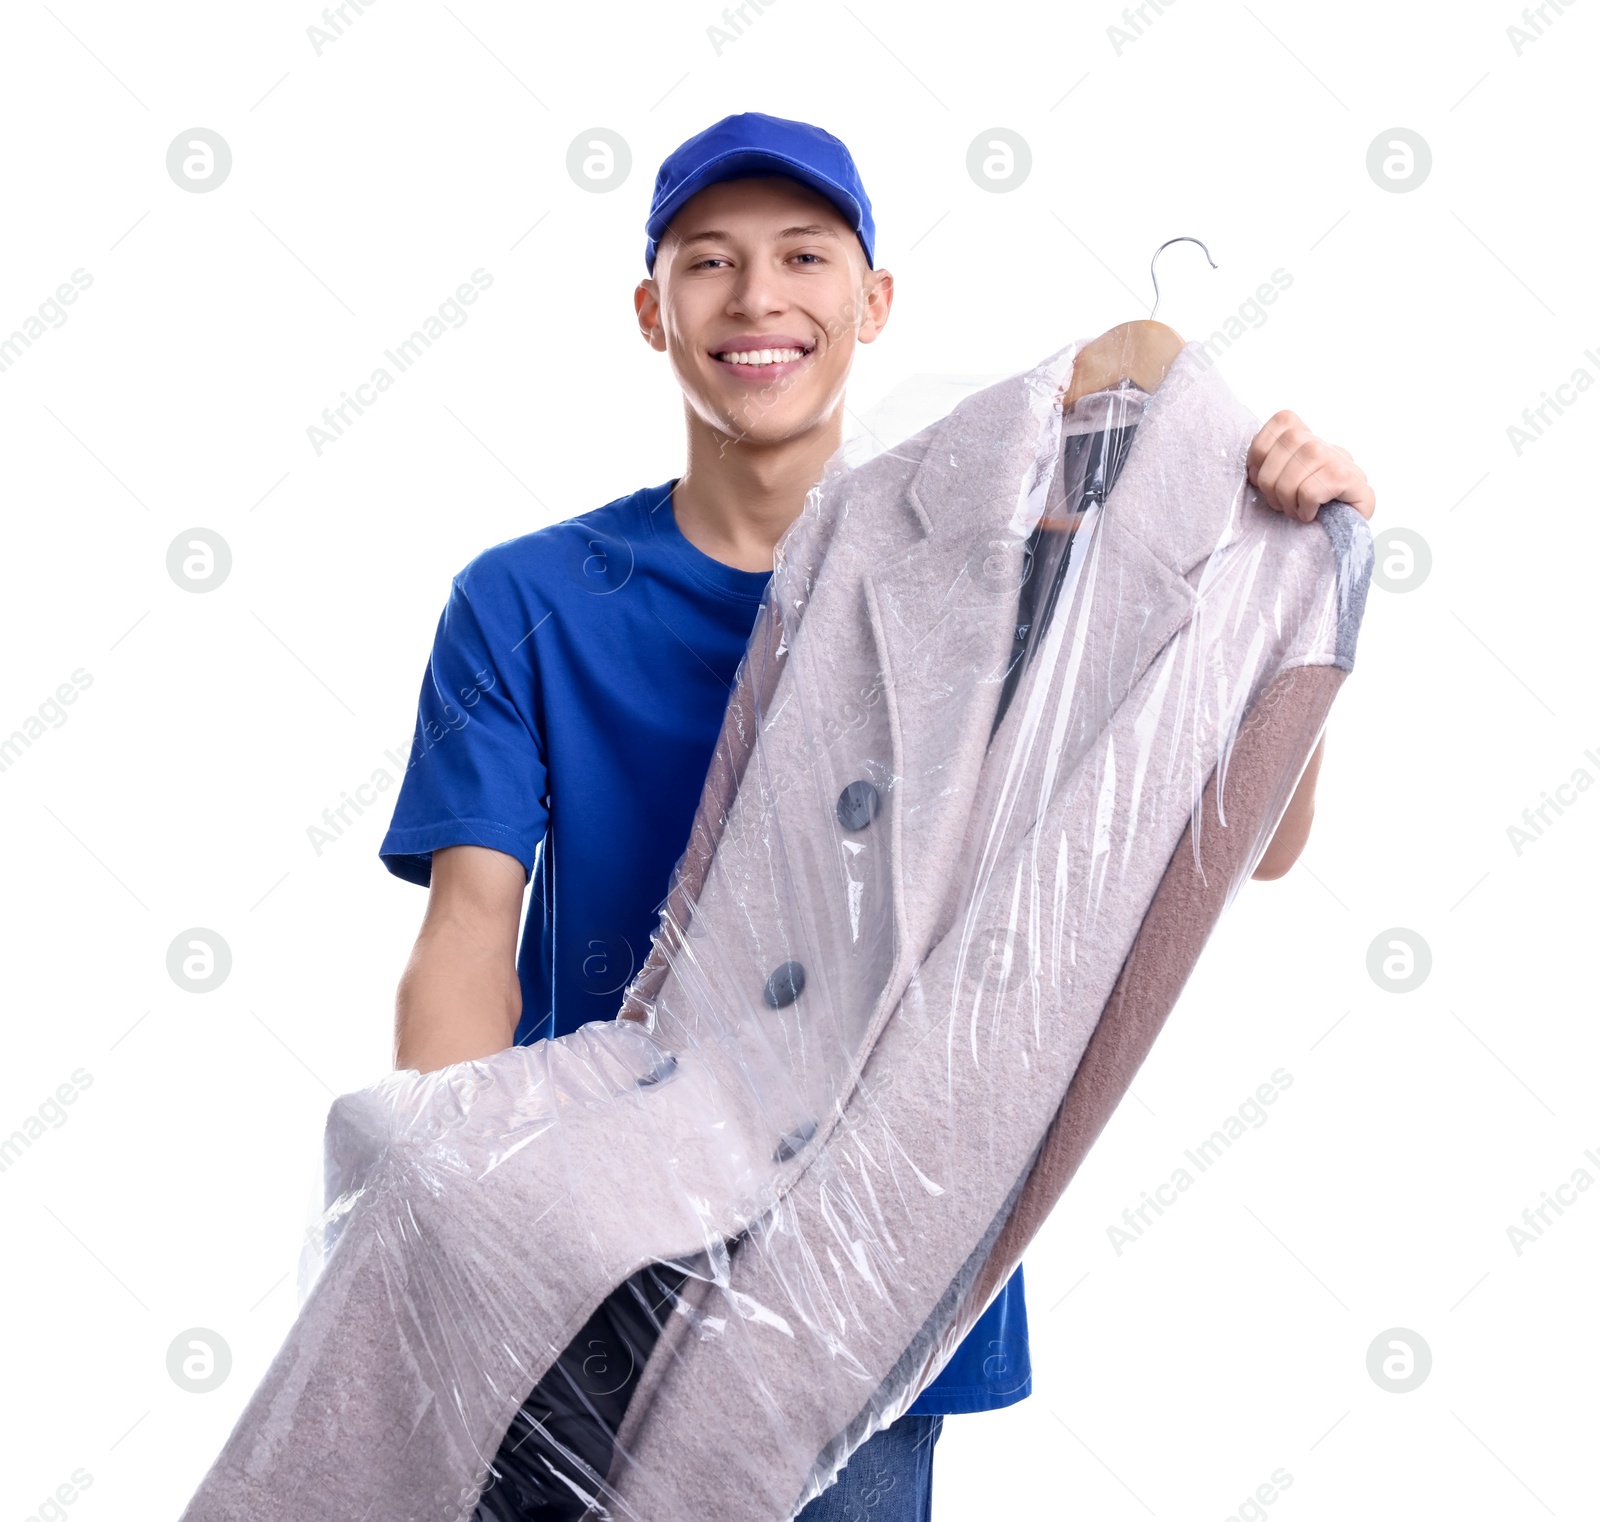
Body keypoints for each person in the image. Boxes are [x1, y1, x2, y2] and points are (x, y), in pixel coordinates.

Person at [376, 112, 1376, 1522]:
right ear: (653, 311)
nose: (758, 299)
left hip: (878, 1264)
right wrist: (442, 1218)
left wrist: (1286, 605)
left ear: (873, 300)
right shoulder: (529, 600)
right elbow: (469, 933)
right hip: (592, 1238)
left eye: (803, 256)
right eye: (710, 264)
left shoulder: (1032, 580)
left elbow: (1245, 844)